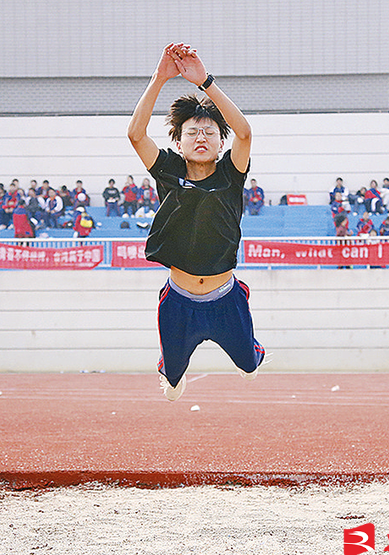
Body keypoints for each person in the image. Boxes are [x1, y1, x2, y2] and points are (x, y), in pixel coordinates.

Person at [128, 43, 265, 401]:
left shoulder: (230, 173)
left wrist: (205, 82)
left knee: (249, 368)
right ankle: (170, 370)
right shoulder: (168, 170)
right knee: (173, 382)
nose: (200, 137)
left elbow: (246, 133)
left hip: (225, 299)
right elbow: (136, 135)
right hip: (179, 301)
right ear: (179, 140)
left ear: (221, 144)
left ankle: (249, 348)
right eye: (192, 132)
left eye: (209, 133)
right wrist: (160, 78)